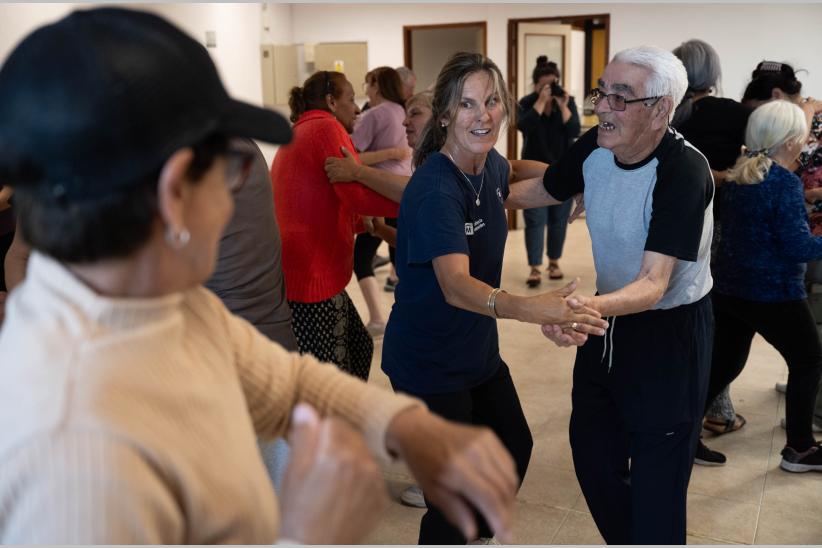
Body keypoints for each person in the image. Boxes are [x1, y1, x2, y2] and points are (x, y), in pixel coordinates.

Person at [0, 8, 523, 543]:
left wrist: (409, 428)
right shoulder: (77, 449)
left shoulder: (170, 307)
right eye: (234, 172)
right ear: (175, 192)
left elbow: (285, 377)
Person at [382, 51, 608, 545]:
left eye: (490, 101)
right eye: (466, 104)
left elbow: (516, 175)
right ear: (444, 116)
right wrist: (531, 307)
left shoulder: (487, 165)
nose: (482, 115)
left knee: (512, 448)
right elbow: (455, 284)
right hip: (428, 364)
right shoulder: (435, 189)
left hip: (474, 353)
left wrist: (575, 183)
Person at [509, 45, 715, 543]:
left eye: (622, 97)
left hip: (670, 332)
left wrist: (575, 310)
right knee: (593, 454)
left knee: (657, 481)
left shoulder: (685, 170)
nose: (603, 106)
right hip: (608, 318)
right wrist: (468, 201)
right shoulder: (599, 144)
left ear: (661, 108)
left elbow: (653, 284)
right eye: (603, 91)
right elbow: (545, 190)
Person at [699, 100, 822, 473]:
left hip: (732, 288)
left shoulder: (741, 174)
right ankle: (799, 449)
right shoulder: (782, 182)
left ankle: (682, 435)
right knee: (808, 360)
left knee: (724, 363)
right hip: (772, 292)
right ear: (791, 140)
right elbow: (799, 247)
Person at [271, 70, 399, 381]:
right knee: (334, 376)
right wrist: (418, 203)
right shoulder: (326, 127)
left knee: (357, 348)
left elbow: (322, 198)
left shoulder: (302, 130)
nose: (358, 108)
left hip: (302, 269)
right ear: (331, 101)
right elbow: (356, 197)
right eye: (351, 99)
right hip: (310, 272)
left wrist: (362, 222)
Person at [671, 39, 753, 452]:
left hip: (667, 225)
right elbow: (757, 159)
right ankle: (709, 409)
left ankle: (709, 406)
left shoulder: (667, 115)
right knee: (710, 318)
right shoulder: (731, 113)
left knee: (677, 313)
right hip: (715, 225)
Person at [350, 67, 411, 336]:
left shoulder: (374, 114)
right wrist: (394, 152)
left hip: (379, 193)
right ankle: (408, 317)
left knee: (361, 257)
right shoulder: (402, 111)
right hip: (404, 190)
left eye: (367, 84)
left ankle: (377, 318)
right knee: (403, 255)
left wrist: (388, 153)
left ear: (376, 85)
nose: (365, 90)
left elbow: (350, 156)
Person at [517, 56, 581, 287]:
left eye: (552, 84)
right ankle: (535, 267)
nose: (548, 89)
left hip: (562, 171)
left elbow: (574, 130)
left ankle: (554, 262)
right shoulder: (527, 102)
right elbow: (523, 126)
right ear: (535, 84)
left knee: (558, 220)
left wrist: (563, 105)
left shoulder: (567, 101)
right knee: (534, 220)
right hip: (532, 173)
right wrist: (540, 101)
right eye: (543, 85)